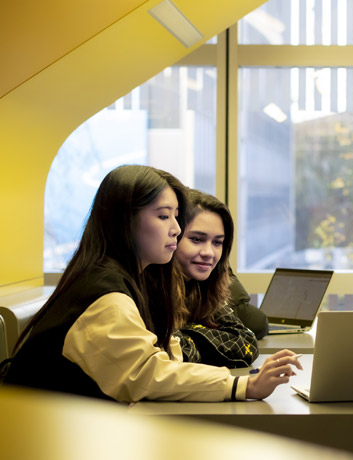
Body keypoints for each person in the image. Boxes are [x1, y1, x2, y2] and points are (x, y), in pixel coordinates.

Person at [1, 165, 300, 402]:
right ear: (125, 221)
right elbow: (146, 373)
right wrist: (243, 386)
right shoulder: (105, 292)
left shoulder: (123, 277)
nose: (176, 229)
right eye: (163, 216)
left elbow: (163, 353)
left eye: (177, 217)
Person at [173, 189, 268, 368]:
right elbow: (165, 351)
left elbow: (246, 344)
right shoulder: (148, 289)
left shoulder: (202, 287)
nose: (209, 253)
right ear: (172, 237)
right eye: (196, 239)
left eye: (217, 242)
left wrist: (187, 335)